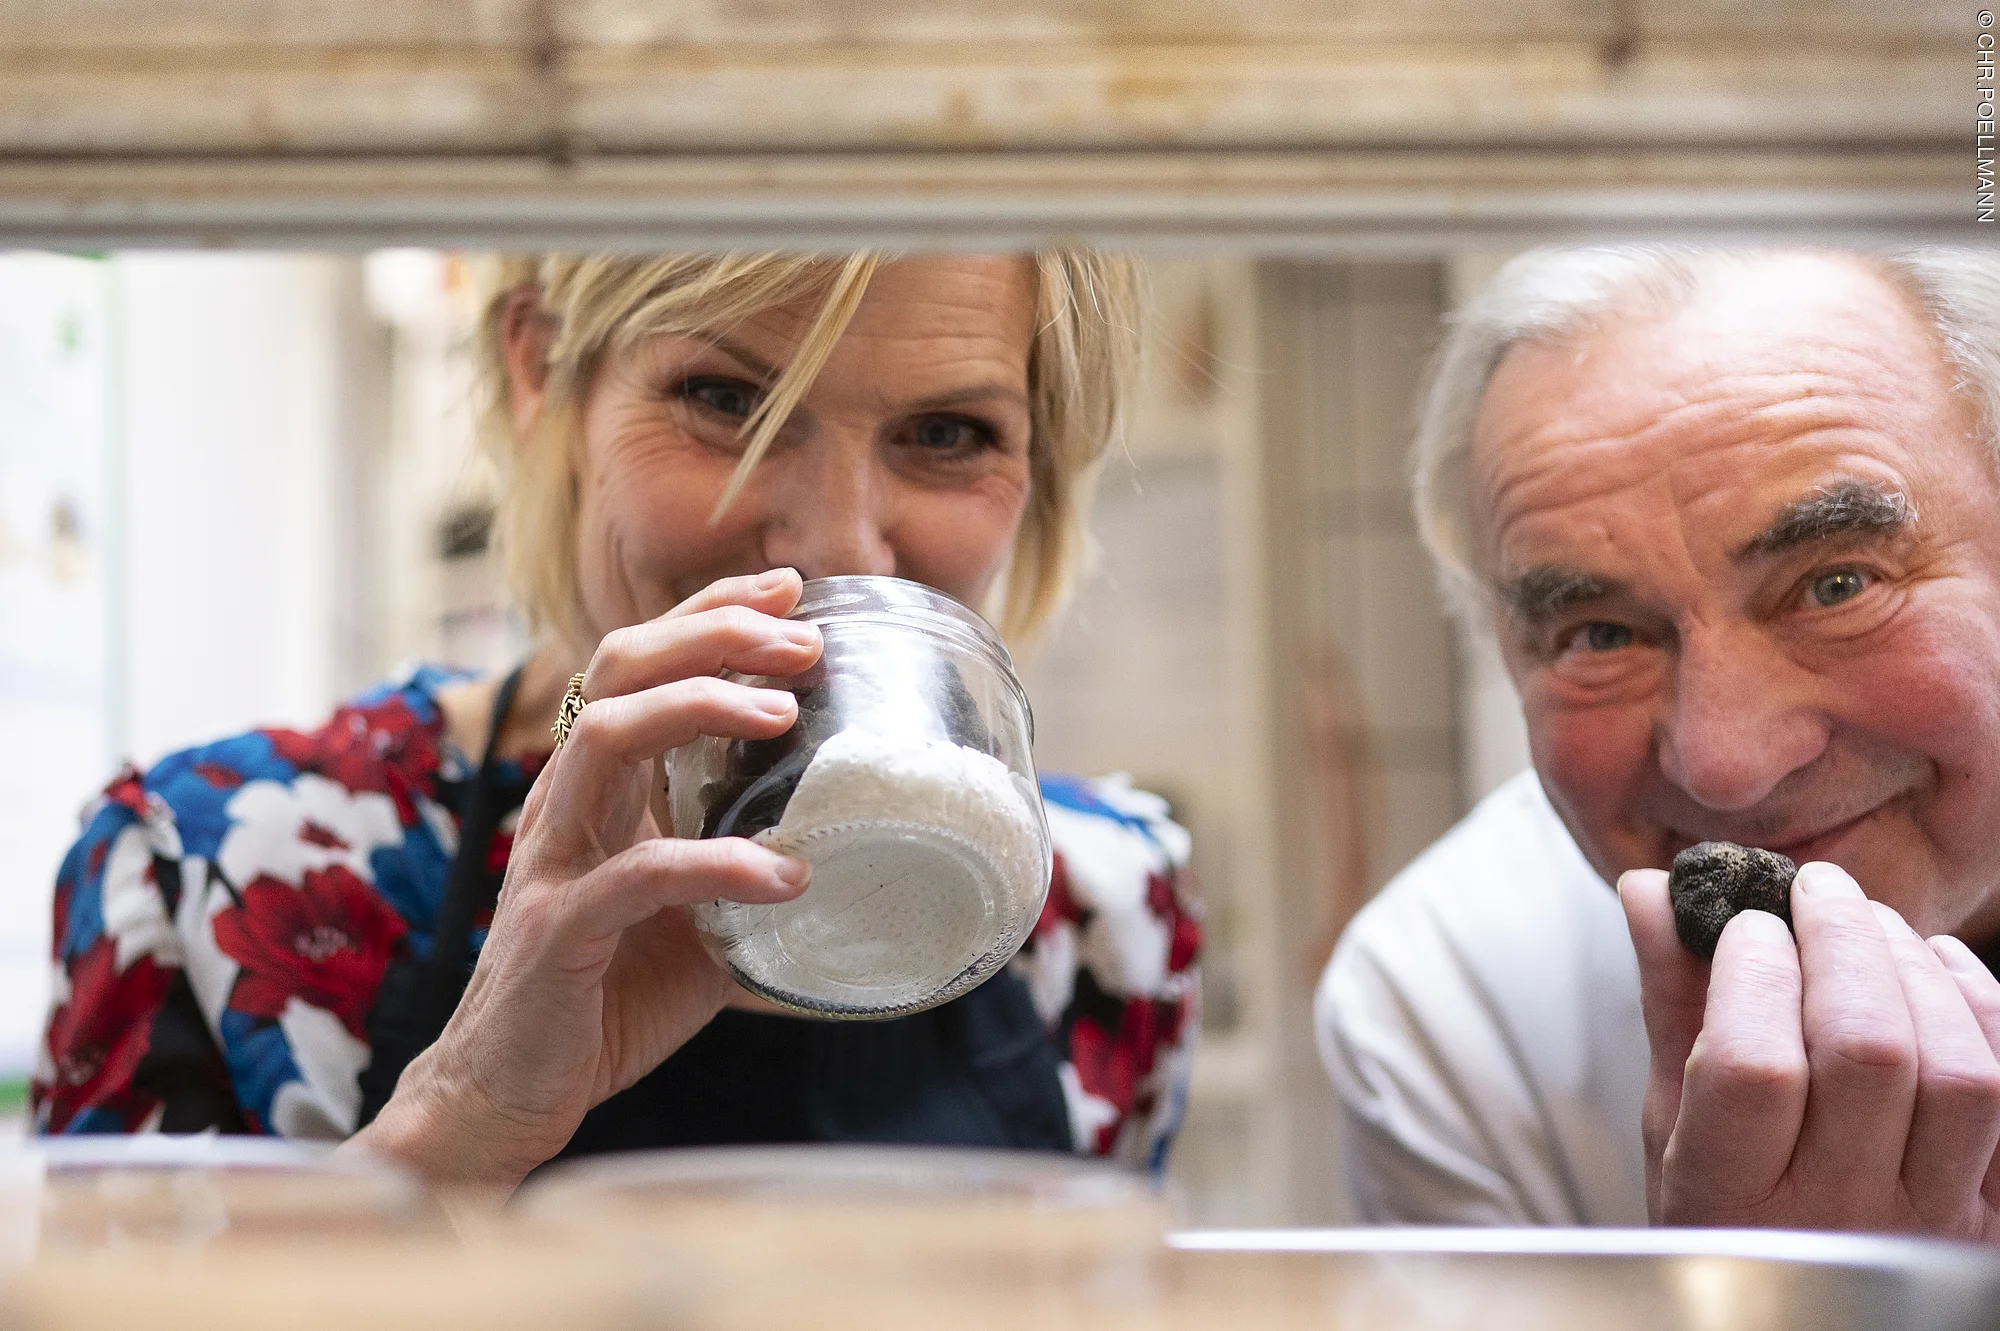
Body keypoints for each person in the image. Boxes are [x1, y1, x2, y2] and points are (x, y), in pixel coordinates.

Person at [33, 251, 1202, 1193]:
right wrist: (461, 1119)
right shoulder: (208, 871)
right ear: (541, 372)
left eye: (945, 433)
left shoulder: (1109, 912)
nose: (836, 545)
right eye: (728, 400)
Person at [1318, 245, 2000, 1241]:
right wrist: (1754, 1285)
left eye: (1836, 584)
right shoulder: (1453, 999)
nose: (1724, 767)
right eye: (1599, 636)